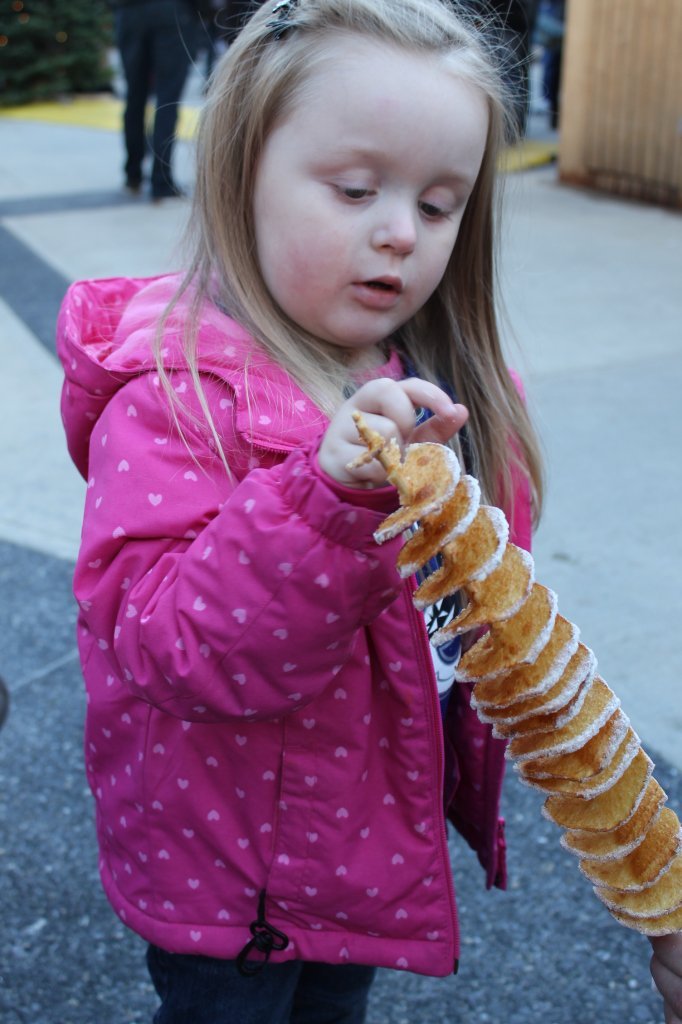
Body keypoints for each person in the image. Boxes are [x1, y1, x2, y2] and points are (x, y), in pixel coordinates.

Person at [56, 1, 681, 1022]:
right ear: (241, 166)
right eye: (355, 189)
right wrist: (328, 496)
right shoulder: (172, 397)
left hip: (361, 852)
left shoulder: (442, 391)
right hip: (231, 883)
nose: (399, 231)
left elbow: (486, 645)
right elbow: (169, 648)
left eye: (439, 205)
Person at [112, 0, 199, 199]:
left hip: (129, 12)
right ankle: (161, 181)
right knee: (167, 98)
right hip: (171, 11)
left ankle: (132, 174)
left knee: (135, 96)